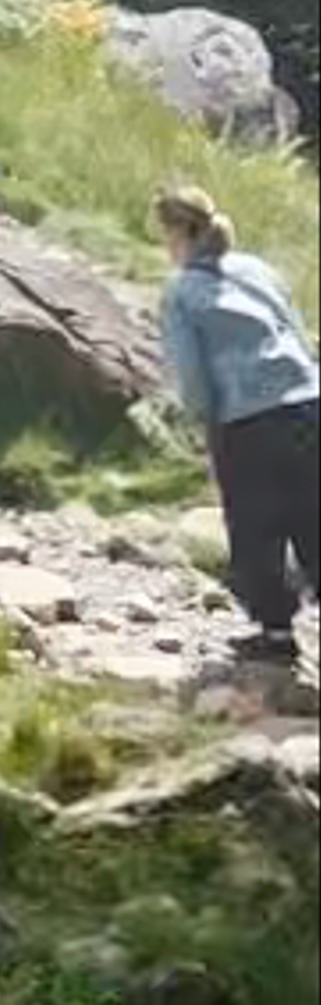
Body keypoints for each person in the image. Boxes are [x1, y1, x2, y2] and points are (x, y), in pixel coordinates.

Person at [151, 186, 321, 664]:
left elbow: (194, 377)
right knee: (314, 517)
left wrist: (206, 424)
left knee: (255, 525)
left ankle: (275, 634)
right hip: (309, 400)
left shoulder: (182, 291)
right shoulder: (257, 270)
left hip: (248, 420)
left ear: (179, 232)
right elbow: (295, 329)